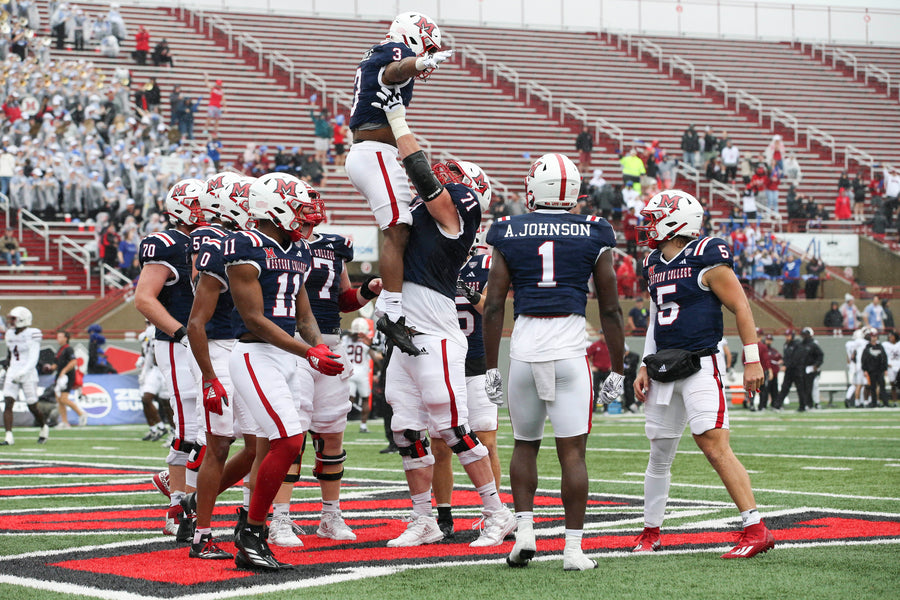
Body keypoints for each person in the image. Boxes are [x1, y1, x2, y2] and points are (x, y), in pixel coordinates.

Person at [372, 86, 514, 550]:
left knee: (453, 428)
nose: (442, 176)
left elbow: (421, 173)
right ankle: (424, 518)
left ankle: (497, 514)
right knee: (404, 430)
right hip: (405, 329)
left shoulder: (460, 213)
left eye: (452, 177)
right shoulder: (427, 216)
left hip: (434, 331)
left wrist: (398, 122)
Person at [483, 152, 625, 571]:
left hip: (524, 352)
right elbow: (612, 309)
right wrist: (618, 368)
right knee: (573, 454)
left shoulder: (509, 229)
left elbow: (493, 306)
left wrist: (491, 366)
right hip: (568, 352)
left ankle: (525, 533)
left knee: (524, 445)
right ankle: (573, 550)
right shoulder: (594, 231)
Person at [631, 189, 774, 559]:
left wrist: (752, 359)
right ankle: (650, 532)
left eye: (654, 217)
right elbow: (653, 318)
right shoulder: (651, 261)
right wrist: (644, 363)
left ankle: (755, 527)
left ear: (677, 220)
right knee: (659, 452)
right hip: (663, 365)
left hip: (700, 364)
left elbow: (741, 307)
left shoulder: (706, 254)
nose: (648, 224)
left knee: (712, 443)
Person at [224, 173, 344, 570]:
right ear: (271, 207)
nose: (306, 215)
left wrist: (319, 346)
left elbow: (303, 313)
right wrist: (308, 352)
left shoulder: (298, 249)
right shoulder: (245, 245)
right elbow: (255, 319)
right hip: (255, 353)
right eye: (298, 204)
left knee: (284, 443)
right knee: (288, 442)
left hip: (287, 354)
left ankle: (251, 529)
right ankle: (252, 533)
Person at [266, 202, 383, 548]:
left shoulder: (333, 246)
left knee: (332, 435)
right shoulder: (276, 247)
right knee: (293, 436)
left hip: (331, 345)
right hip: (294, 345)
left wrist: (368, 290)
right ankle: (280, 518)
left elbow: (343, 299)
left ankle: (330, 515)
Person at [345, 12, 452, 355]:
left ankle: (391, 314)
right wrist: (419, 62)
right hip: (373, 151)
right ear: (412, 37)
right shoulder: (392, 50)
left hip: (377, 152)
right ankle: (390, 313)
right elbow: (395, 70)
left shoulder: (387, 52)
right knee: (399, 226)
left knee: (405, 227)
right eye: (427, 47)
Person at [183, 174, 260, 561]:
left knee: (258, 443)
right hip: (215, 346)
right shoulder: (212, 239)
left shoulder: (241, 239)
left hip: (243, 347)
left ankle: (197, 502)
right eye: (247, 198)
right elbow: (197, 316)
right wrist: (210, 376)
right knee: (218, 444)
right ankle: (203, 534)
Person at [134, 179, 203, 542]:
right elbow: (144, 299)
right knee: (190, 427)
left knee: (216, 429)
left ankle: (176, 484)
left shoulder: (215, 239)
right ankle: (178, 505)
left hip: (213, 341)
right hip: (179, 344)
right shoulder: (167, 243)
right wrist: (181, 333)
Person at [433, 212, 502, 538]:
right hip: (443, 362)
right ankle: (443, 513)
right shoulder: (432, 262)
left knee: (487, 441)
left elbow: (499, 311)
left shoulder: (486, 265)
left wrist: (469, 292)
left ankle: (495, 513)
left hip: (477, 363)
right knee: (440, 445)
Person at [1, 307, 47, 446]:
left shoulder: (33, 333)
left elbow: (33, 358)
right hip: (13, 371)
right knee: (8, 402)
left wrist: (23, 373)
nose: (10, 321)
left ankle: (43, 427)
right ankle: (9, 436)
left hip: (28, 372)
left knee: (32, 405)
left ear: (22, 319)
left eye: (13, 319)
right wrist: (6, 368)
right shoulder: (10, 333)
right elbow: (11, 354)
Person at [136, 321, 172, 442]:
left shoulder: (168, 328)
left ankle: (174, 432)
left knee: (167, 403)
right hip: (155, 370)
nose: (148, 325)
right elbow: (148, 355)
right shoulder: (148, 334)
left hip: (167, 368)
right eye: (147, 322)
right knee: (146, 398)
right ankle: (159, 427)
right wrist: (144, 372)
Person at [344, 318, 375, 434]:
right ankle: (363, 426)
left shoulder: (346, 339)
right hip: (362, 374)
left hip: (350, 372)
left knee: (349, 399)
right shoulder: (366, 341)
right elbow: (376, 359)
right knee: (365, 399)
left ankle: (342, 421)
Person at [50, 331, 87, 428]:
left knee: (64, 398)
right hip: (59, 376)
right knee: (59, 399)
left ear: (66, 338)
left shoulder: (68, 349)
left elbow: (73, 362)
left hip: (67, 376)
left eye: (60, 337)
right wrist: (50, 367)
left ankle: (81, 413)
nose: (58, 339)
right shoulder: (59, 350)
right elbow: (56, 364)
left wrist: (64, 371)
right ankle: (64, 422)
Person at [861, 329, 890, 407]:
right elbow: (864, 359)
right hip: (871, 370)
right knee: (872, 387)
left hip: (880, 370)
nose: (874, 338)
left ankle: (885, 402)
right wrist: (865, 369)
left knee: (882, 387)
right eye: (872, 336)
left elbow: (884, 358)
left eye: (875, 336)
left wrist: (885, 368)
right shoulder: (867, 348)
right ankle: (874, 403)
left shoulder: (880, 347)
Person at [799, 327, 823, 411]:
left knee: (812, 387)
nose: (804, 336)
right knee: (804, 387)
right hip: (803, 368)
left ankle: (814, 403)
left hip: (811, 368)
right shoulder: (801, 344)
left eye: (806, 334)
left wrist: (816, 365)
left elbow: (820, 355)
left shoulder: (813, 344)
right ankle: (806, 403)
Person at [586, 332, 612, 410]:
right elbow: (587, 356)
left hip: (607, 370)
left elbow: (616, 356)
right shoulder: (595, 345)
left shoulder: (611, 345)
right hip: (597, 371)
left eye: (604, 334)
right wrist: (591, 366)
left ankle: (606, 409)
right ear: (599, 335)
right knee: (595, 390)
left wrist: (612, 365)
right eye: (602, 334)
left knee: (606, 390)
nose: (603, 336)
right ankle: (593, 409)